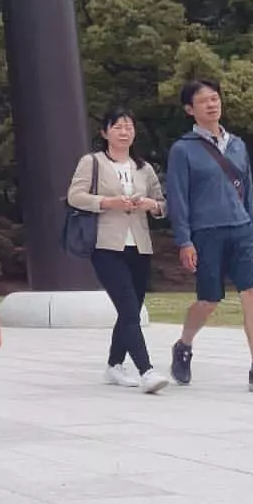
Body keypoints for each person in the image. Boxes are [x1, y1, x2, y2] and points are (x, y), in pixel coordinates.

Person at [166, 78, 253, 394]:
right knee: (209, 299)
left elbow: (248, 193)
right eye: (203, 100)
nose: (212, 104)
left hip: (241, 229)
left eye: (215, 98)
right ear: (190, 109)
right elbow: (177, 199)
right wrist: (184, 240)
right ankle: (184, 344)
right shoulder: (183, 149)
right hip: (206, 233)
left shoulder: (238, 145)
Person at [66, 109, 167, 392]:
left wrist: (151, 205)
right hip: (106, 245)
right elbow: (75, 196)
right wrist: (108, 202)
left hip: (140, 245)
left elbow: (162, 204)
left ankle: (114, 365)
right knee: (128, 307)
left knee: (129, 310)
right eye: (118, 127)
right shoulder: (92, 162)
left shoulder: (144, 168)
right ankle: (146, 370)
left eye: (129, 127)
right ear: (105, 132)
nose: (124, 132)